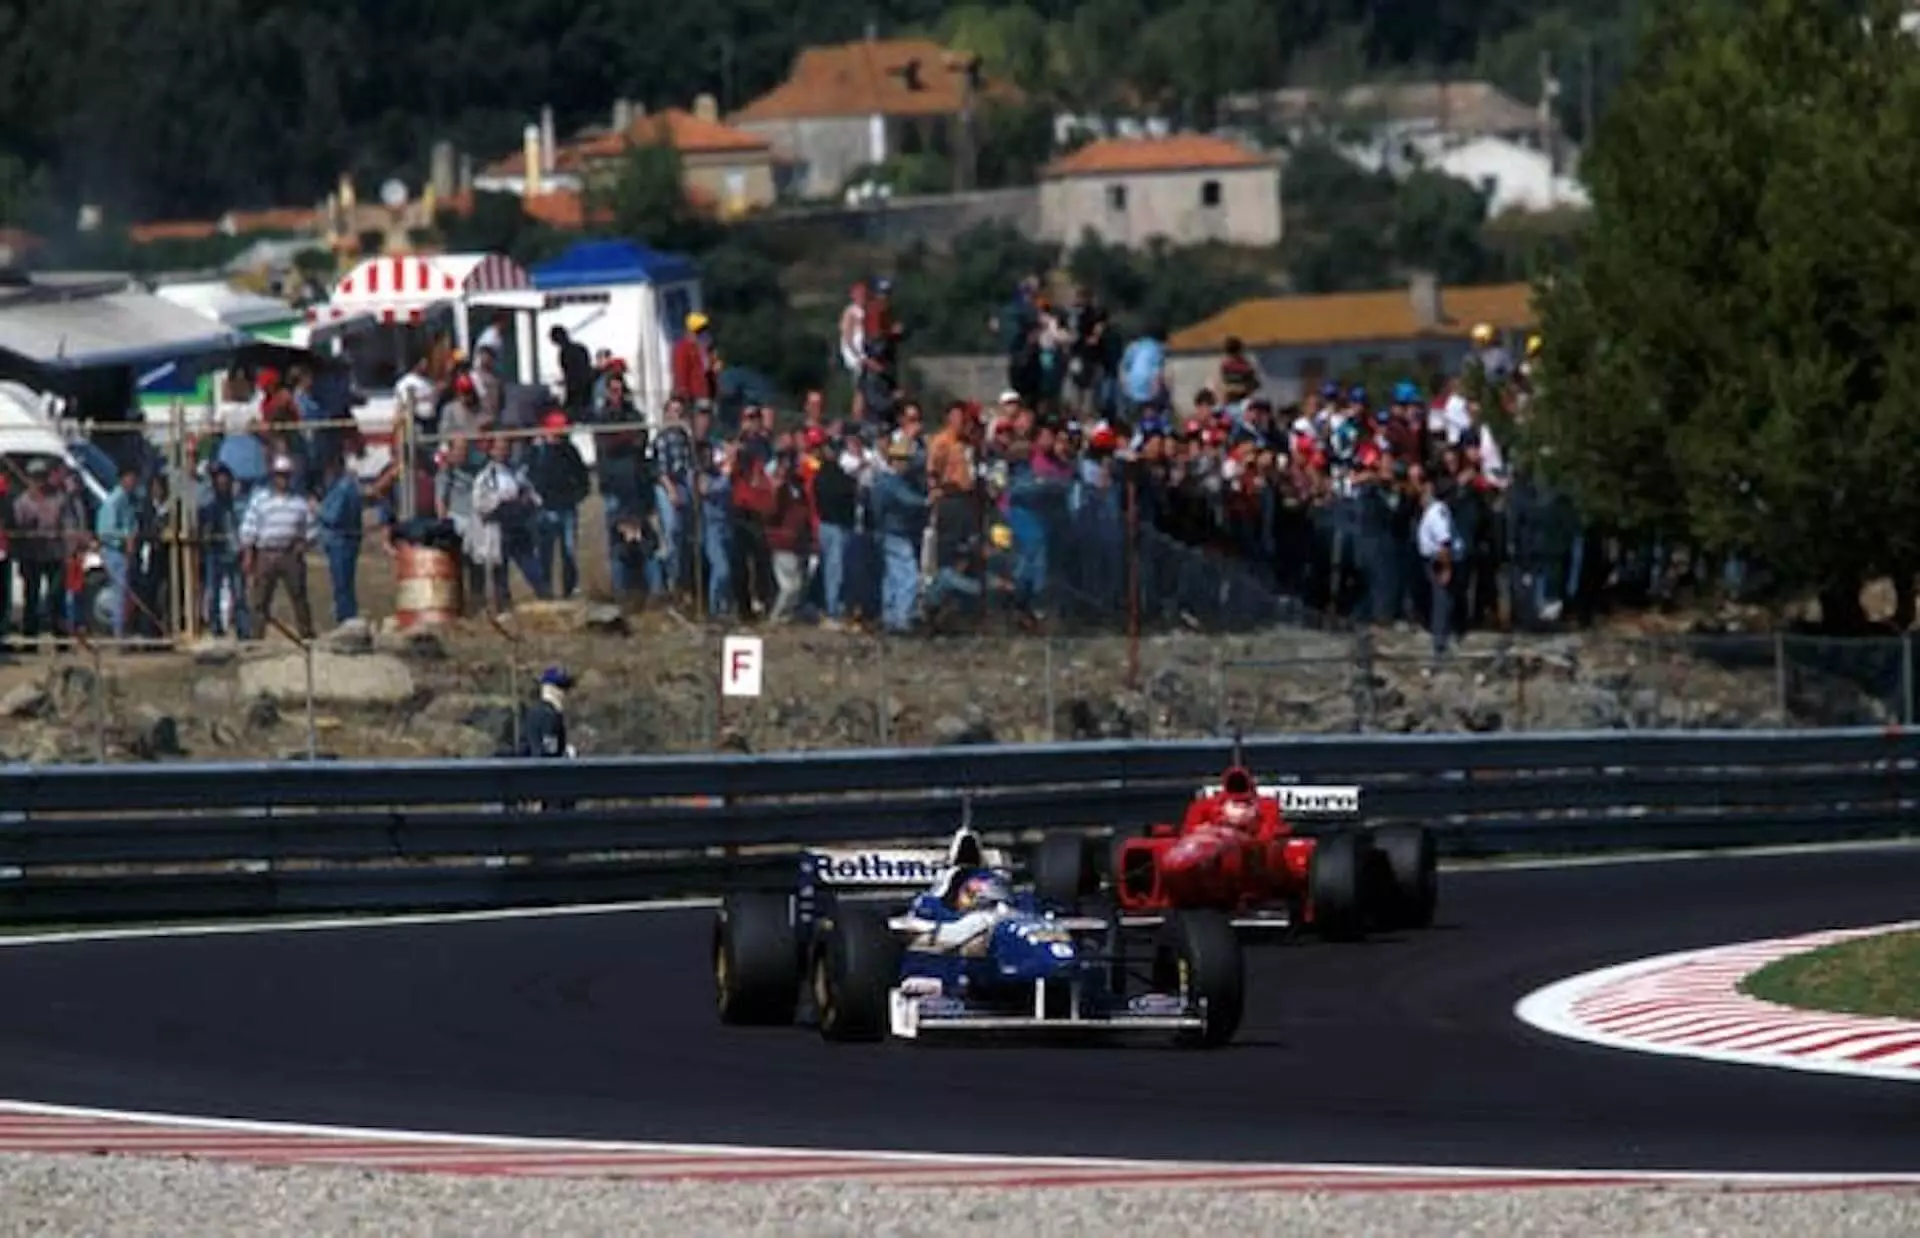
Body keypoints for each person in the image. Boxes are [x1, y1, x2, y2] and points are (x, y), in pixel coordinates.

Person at [904, 867, 1018, 957]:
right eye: (971, 894)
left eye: (983, 898)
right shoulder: (926, 909)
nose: (976, 901)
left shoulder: (1005, 916)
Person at [522, 666, 575, 759]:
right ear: (549, 688)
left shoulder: (534, 712)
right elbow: (549, 755)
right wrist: (566, 756)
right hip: (542, 771)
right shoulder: (548, 715)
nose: (564, 693)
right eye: (561, 687)